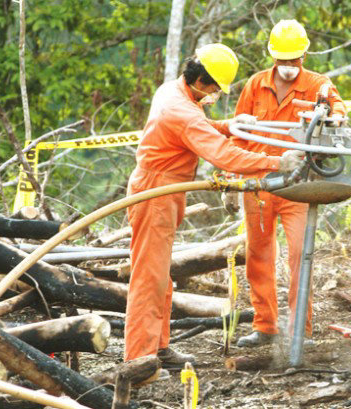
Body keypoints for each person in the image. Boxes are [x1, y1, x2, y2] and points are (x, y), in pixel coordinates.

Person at [124, 43, 305, 366]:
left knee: (160, 276)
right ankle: (139, 358)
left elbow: (198, 125)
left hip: (165, 189)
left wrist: (229, 125)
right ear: (203, 82)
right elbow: (223, 154)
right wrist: (278, 162)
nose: (216, 95)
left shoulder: (175, 91)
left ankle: (159, 347)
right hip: (155, 193)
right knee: (149, 278)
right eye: (217, 90)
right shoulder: (182, 112)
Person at [225, 19, 346, 348]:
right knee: (258, 256)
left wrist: (334, 117)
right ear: (272, 57)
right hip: (259, 184)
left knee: (299, 255)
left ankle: (299, 330)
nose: (289, 67)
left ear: (304, 55)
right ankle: (264, 325)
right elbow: (238, 133)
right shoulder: (255, 84)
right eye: (283, 60)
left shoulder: (318, 85)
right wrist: (233, 176)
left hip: (298, 185)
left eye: (294, 60)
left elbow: (338, 108)